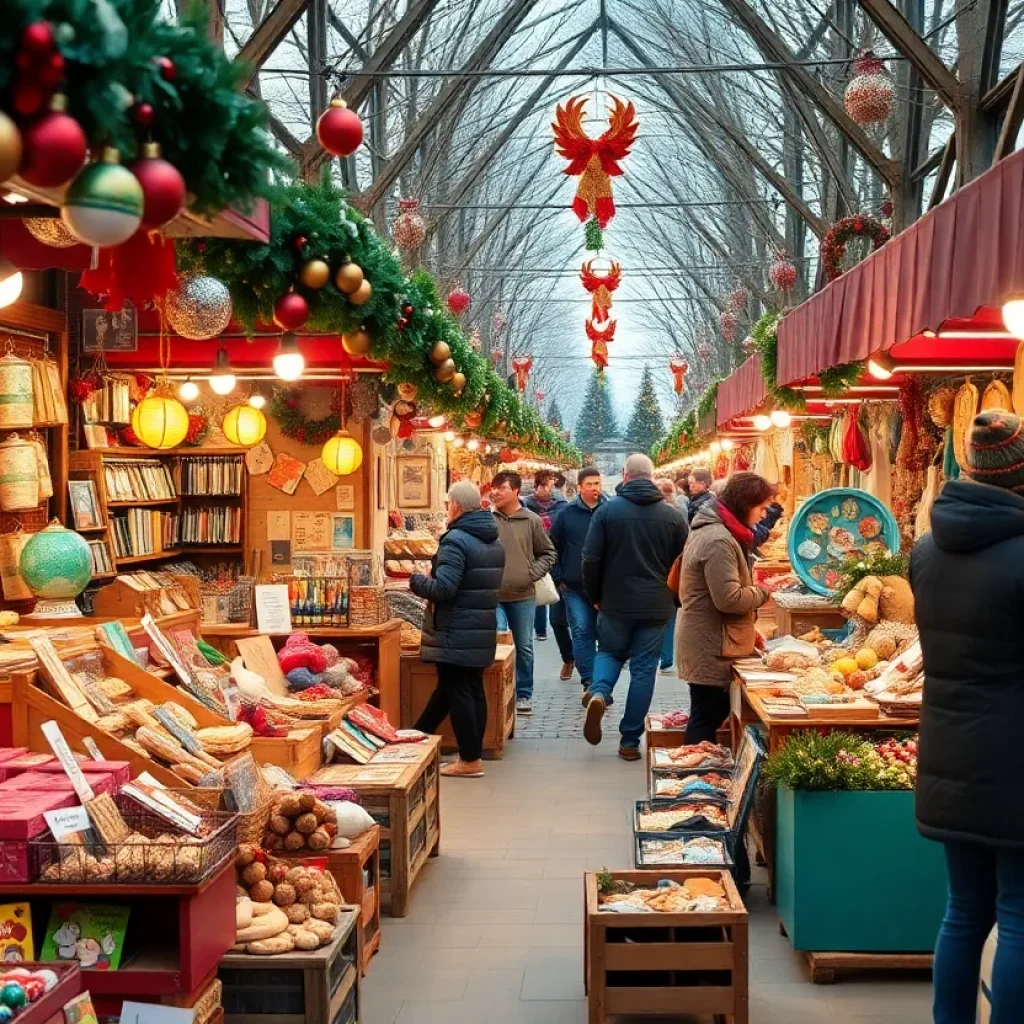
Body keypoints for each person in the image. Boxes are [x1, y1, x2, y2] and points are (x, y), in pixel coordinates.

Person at [911, 410, 1024, 1023]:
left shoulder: (928, 551)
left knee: (964, 910)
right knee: (1020, 917)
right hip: (1014, 759)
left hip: (949, 751)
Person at [581, 453, 688, 760]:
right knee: (643, 670)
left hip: (614, 601)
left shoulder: (606, 512)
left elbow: (590, 559)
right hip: (656, 605)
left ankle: (600, 692)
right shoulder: (673, 517)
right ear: (652, 477)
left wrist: (595, 595)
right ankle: (629, 741)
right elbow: (684, 564)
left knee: (610, 652)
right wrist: (676, 600)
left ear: (625, 476)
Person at [411, 481, 505, 778]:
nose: (446, 507)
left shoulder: (456, 540)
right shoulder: (492, 540)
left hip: (455, 629)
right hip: (478, 628)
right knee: (466, 688)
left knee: (459, 691)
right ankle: (417, 740)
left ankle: (469, 759)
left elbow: (444, 588)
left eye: (448, 502)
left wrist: (418, 579)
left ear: (457, 506)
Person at [676, 471, 773, 745]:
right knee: (706, 716)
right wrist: (765, 593)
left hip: (715, 638)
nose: (764, 515)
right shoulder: (719, 540)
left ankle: (699, 776)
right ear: (745, 504)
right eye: (761, 508)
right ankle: (695, 781)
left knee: (708, 713)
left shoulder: (718, 531)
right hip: (711, 644)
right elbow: (729, 599)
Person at [490, 470, 556, 716]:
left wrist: (530, 573)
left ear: (516, 491)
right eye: (494, 488)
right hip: (492, 595)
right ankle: (497, 689)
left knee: (524, 646)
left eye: (501, 488)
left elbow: (549, 553)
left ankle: (524, 693)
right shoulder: (487, 519)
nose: (495, 492)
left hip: (522, 595)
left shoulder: (531, 520)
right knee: (497, 641)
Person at [550, 466, 605, 693]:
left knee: (604, 633)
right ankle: (589, 682)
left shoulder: (609, 511)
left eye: (597, 483)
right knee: (582, 630)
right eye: (589, 484)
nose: (594, 488)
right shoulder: (566, 514)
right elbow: (553, 546)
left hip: (605, 585)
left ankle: (602, 680)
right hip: (574, 584)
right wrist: (559, 575)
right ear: (580, 487)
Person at [523, 470, 572, 676]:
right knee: (551, 613)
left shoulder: (563, 508)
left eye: (552, 484)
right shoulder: (525, 506)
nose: (548, 489)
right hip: (535, 564)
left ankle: (579, 663)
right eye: (544, 485)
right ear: (536, 486)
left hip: (561, 568)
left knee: (568, 621)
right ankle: (567, 656)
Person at [656, 478, 680, 674]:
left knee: (654, 620)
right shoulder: (677, 515)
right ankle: (667, 657)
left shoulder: (651, 514)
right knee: (669, 618)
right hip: (671, 573)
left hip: (653, 574)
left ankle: (655, 654)